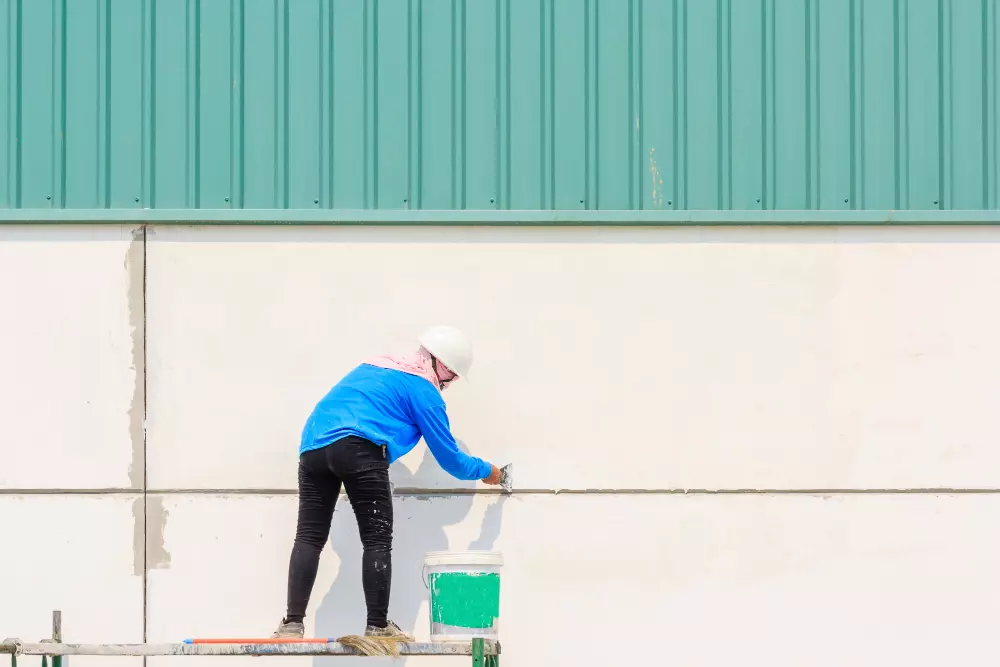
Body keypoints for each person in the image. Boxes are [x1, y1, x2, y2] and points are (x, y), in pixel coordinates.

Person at [271, 325, 503, 640]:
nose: (450, 384)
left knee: (310, 536)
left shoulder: (376, 365)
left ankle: (291, 624)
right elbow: (452, 460)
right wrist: (490, 471)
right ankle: (378, 627)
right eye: (453, 377)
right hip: (359, 446)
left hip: (312, 445)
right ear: (444, 368)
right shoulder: (424, 390)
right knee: (377, 540)